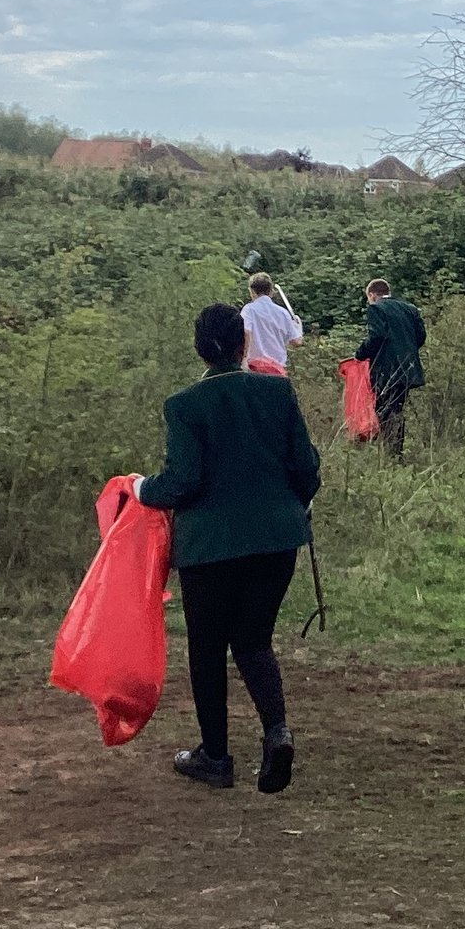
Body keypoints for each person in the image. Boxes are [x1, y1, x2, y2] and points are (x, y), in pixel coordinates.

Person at [136, 303, 322, 795]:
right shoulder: (277, 391)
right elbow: (307, 468)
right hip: (278, 539)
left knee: (207, 646)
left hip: (210, 547)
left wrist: (139, 489)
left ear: (200, 347)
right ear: (244, 343)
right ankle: (276, 731)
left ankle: (215, 757)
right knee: (255, 640)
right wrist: (289, 508)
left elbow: (181, 481)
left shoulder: (183, 405)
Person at [352, 278, 426, 459]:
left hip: (386, 369)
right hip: (408, 369)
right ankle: (396, 451)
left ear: (371, 294)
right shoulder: (410, 309)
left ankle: (391, 454)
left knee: (384, 410)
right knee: (397, 409)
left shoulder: (376, 308)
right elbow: (421, 336)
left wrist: (360, 354)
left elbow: (377, 336)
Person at [240, 273, 303, 377]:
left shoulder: (249, 310)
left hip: (255, 368)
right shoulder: (283, 313)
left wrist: (244, 359)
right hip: (277, 370)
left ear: (252, 291)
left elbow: (246, 331)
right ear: (271, 291)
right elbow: (297, 342)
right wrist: (298, 328)